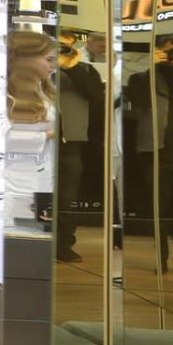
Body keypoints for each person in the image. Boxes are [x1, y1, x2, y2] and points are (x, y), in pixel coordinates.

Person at [54, 34, 105, 262]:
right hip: (37, 141)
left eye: (65, 47)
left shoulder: (85, 71)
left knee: (67, 198)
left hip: (71, 143)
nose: (61, 50)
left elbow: (96, 96)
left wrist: (71, 67)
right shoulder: (34, 66)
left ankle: (64, 244)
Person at [5, 31, 56, 228]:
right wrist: (47, 135)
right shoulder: (7, 96)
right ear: (25, 61)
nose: (53, 66)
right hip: (14, 180)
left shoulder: (44, 90)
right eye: (48, 60)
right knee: (16, 232)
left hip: (41, 175)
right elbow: (3, 139)